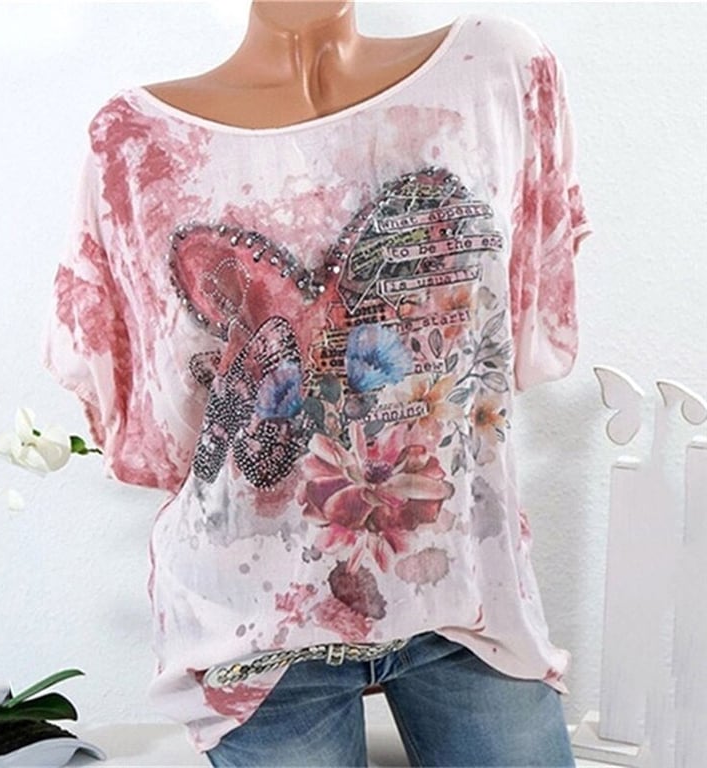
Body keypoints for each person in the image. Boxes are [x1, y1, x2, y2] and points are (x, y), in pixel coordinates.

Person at [43, 1, 592, 765]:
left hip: (469, 599)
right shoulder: (135, 142)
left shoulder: (493, 71)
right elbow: (166, 424)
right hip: (253, 628)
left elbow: (516, 322)